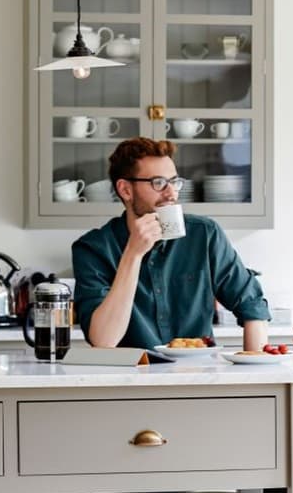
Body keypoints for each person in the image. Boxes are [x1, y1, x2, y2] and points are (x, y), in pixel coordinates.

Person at [71, 137, 270, 350]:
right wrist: (133, 253)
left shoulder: (204, 234)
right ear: (125, 190)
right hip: (131, 377)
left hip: (198, 374)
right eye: (158, 183)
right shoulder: (92, 249)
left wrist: (253, 368)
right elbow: (103, 340)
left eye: (174, 182)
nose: (171, 193)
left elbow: (252, 306)